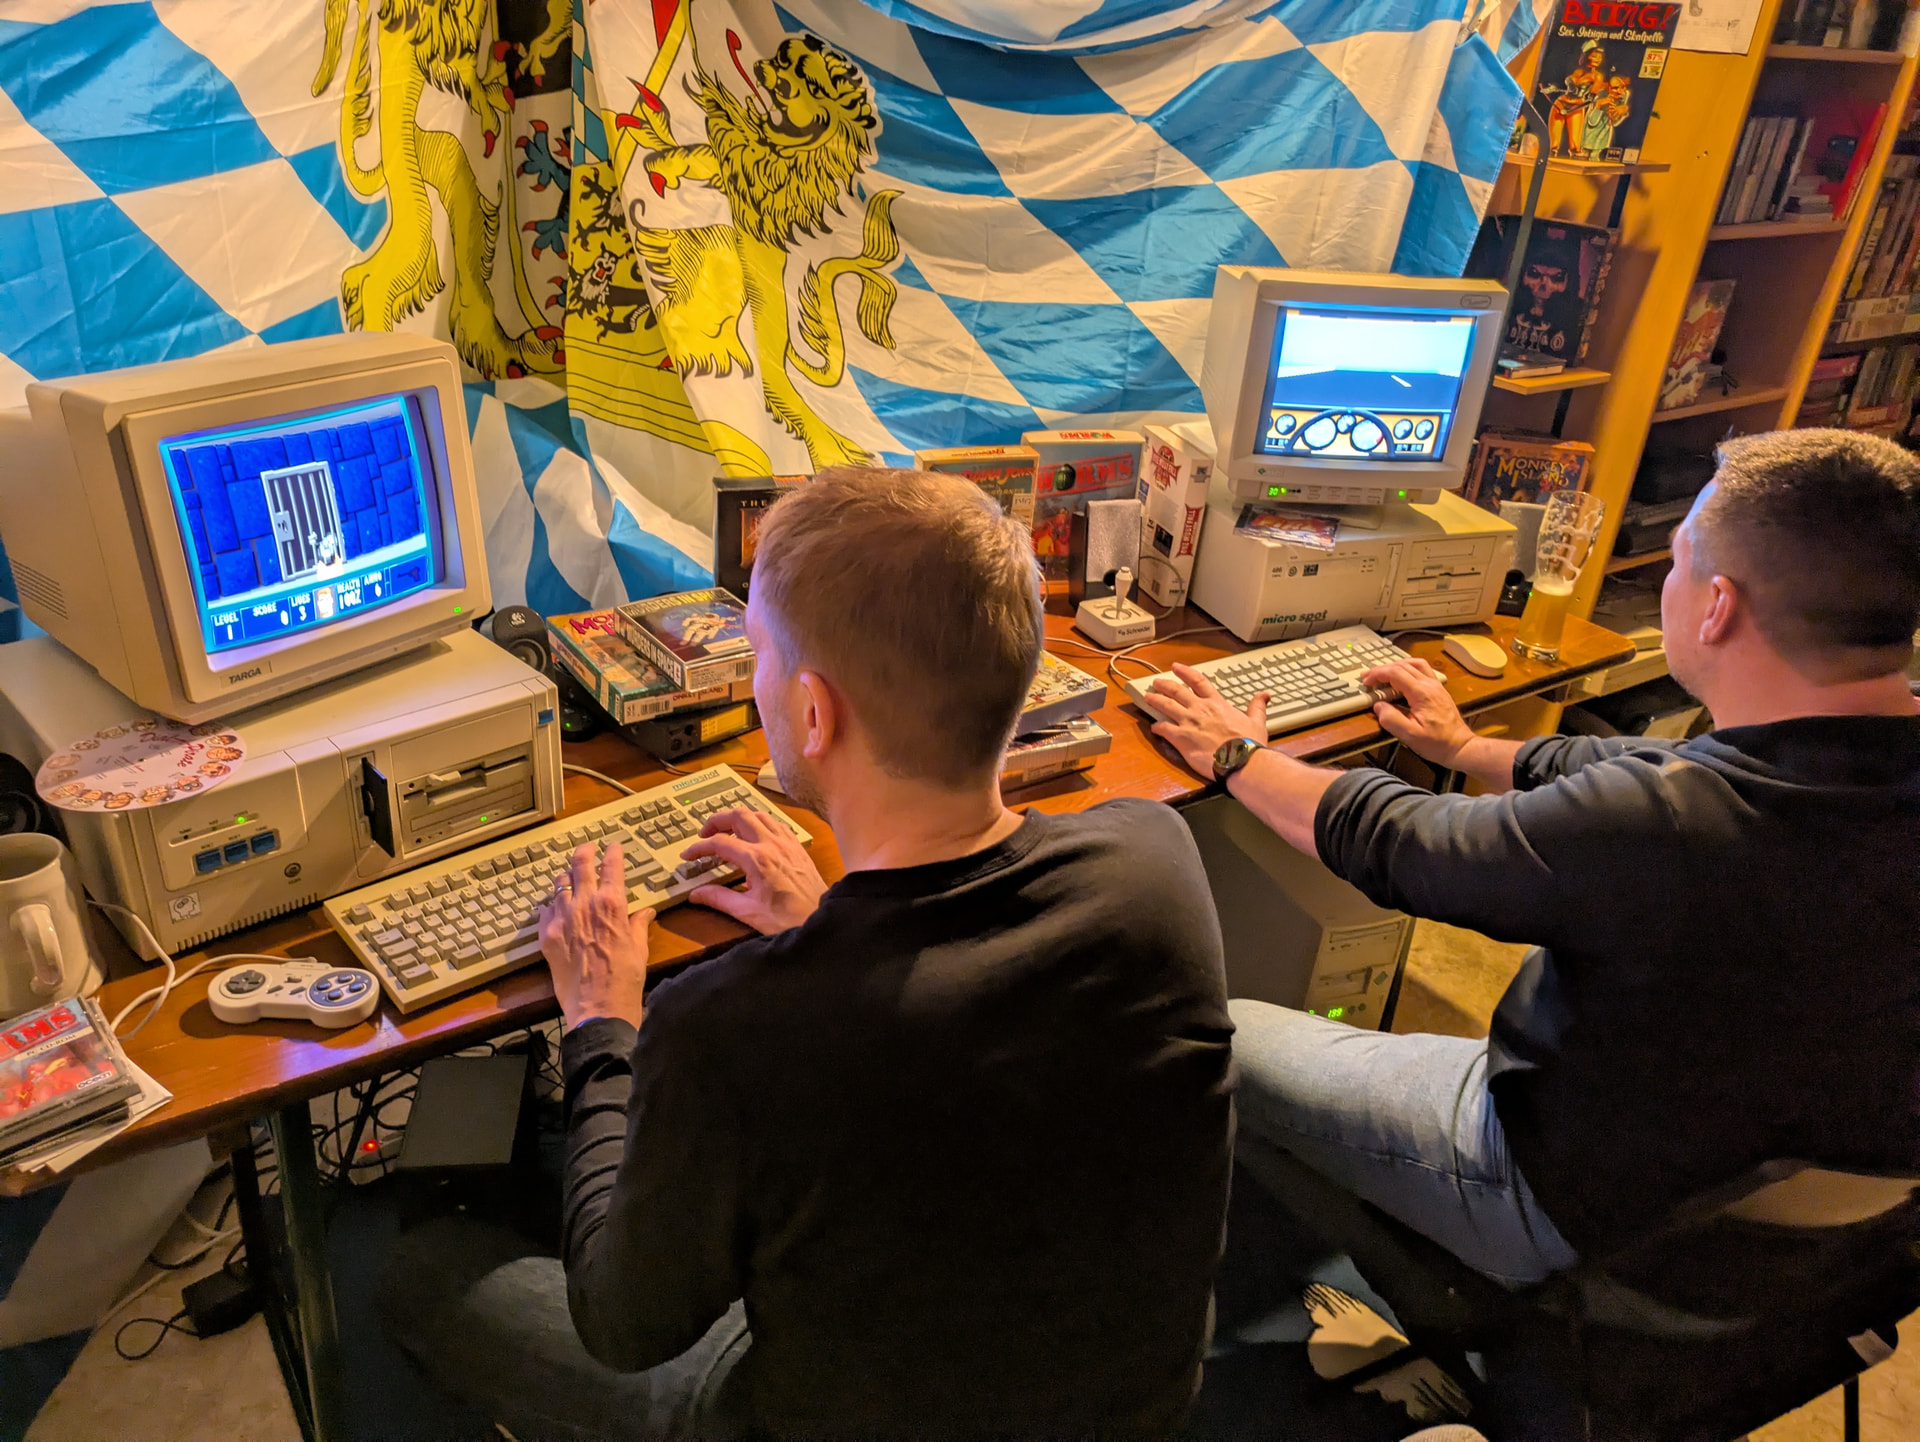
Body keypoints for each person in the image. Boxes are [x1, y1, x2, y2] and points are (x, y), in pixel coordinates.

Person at [381, 468, 1236, 1438]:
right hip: (1127, 1410)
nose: (755, 681)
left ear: (816, 712)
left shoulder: (732, 1026)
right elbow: (959, 1028)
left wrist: (600, 1022)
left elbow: (621, 1325)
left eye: (757, 653)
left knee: (421, 1270)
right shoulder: (1156, 863)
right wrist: (832, 919)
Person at [1144, 428, 1920, 1286]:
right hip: (1798, 1204)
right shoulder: (1824, 764)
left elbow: (1407, 845)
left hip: (1573, 1193)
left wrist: (1238, 756)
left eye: (1676, 561)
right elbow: (1643, 765)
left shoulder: (1671, 825)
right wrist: (1465, 748)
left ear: (1717, 607)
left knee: (1223, 1032)